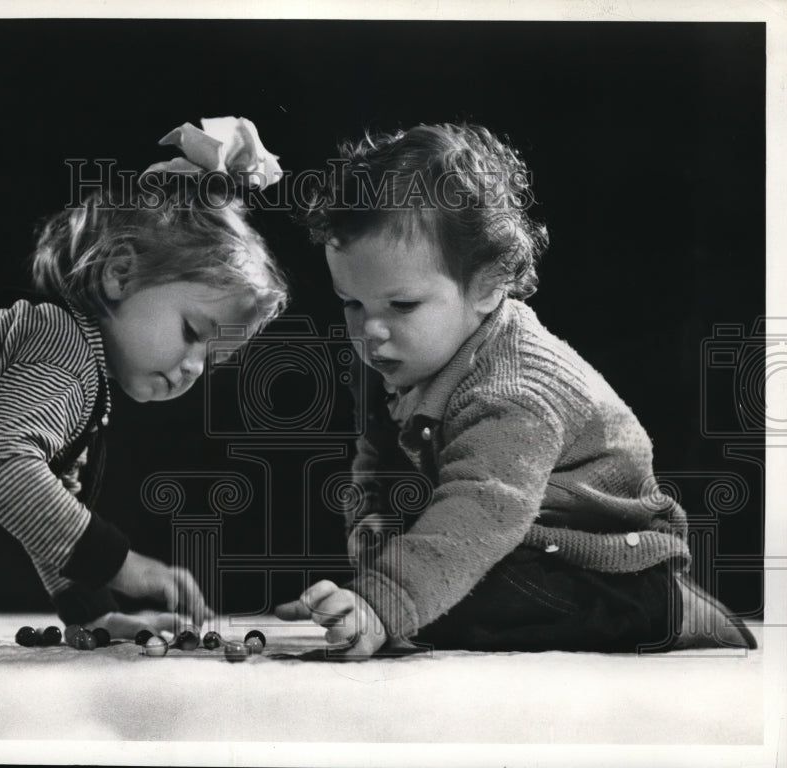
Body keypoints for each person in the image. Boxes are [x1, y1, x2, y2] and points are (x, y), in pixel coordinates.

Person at [275, 122, 756, 656]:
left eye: (402, 305)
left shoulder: (514, 390)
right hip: (512, 538)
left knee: (469, 595)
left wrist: (384, 598)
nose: (370, 330)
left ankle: (668, 610)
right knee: (438, 598)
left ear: (486, 287)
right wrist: (368, 574)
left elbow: (481, 506)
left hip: (602, 559)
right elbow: (377, 465)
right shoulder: (395, 356)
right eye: (352, 303)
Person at [0, 117, 288, 646]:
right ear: (120, 274)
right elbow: (2, 467)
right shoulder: (61, 344)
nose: (194, 367)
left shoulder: (80, 378)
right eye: (192, 332)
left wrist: (94, 613)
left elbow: (44, 506)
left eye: (212, 359)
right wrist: (122, 565)